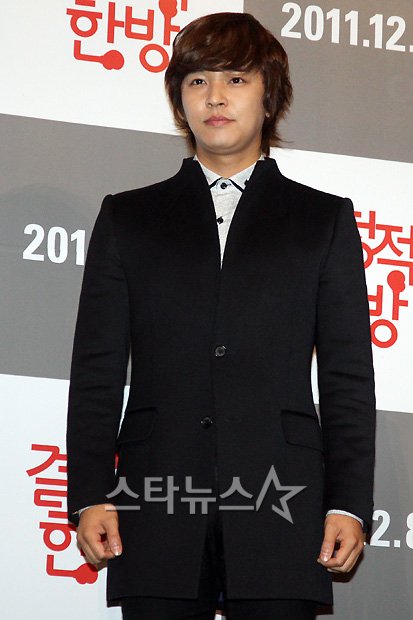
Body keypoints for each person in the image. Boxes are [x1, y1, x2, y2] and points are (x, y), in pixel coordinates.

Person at [66, 12, 376, 620]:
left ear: (269, 95)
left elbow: (347, 378)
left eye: (235, 78)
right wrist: (90, 494)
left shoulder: (322, 221)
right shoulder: (128, 218)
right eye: (197, 80)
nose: (214, 96)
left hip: (282, 502)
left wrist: (348, 504)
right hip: (155, 502)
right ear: (180, 100)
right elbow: (97, 371)